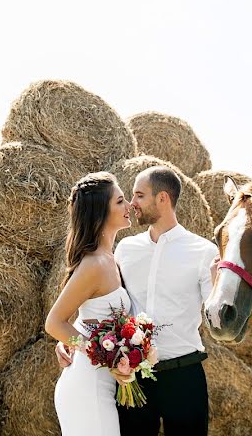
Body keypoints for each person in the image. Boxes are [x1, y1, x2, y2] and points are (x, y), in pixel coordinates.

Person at [56, 165, 219, 435]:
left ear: (162, 199)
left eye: (139, 195)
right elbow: (98, 298)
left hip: (184, 374)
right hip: (133, 377)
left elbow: (215, 321)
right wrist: (69, 339)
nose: (132, 204)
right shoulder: (125, 250)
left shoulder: (203, 252)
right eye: (126, 197)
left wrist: (218, 285)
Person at [45, 171, 133, 436]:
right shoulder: (94, 263)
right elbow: (55, 322)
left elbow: (89, 316)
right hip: (88, 385)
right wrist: (104, 355)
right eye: (120, 201)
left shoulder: (110, 258)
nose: (128, 206)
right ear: (100, 212)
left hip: (100, 382)